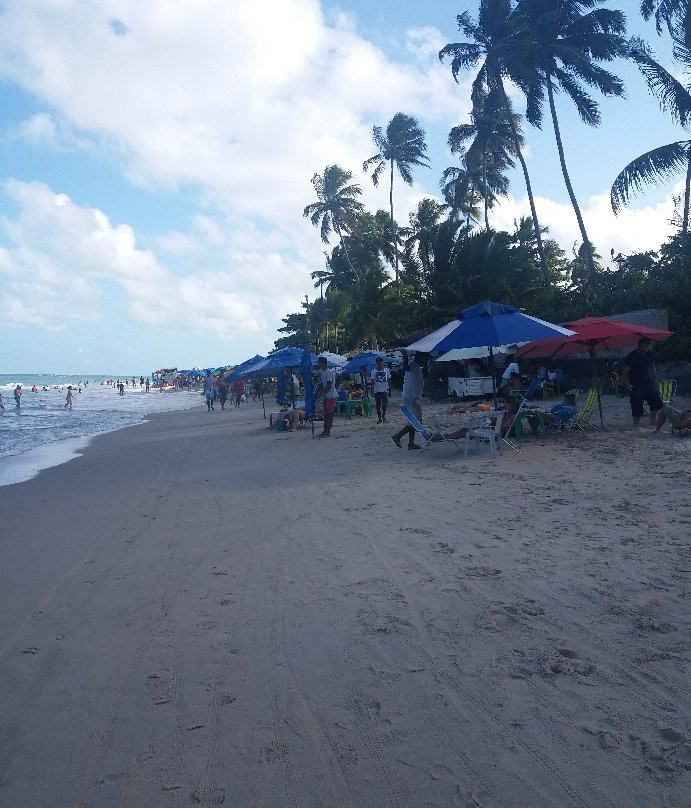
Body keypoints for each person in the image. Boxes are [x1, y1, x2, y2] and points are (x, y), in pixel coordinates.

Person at [621, 337, 664, 428]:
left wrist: (655, 378)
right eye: (642, 347)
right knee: (636, 403)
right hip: (635, 383)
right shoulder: (632, 356)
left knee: (656, 400)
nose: (644, 349)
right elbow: (625, 372)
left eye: (646, 347)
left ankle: (653, 420)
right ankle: (636, 425)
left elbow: (652, 366)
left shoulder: (650, 354)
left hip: (648, 382)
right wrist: (627, 383)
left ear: (648, 347)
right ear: (638, 346)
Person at [391, 352, 424, 450]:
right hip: (410, 395)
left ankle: (411, 443)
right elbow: (405, 368)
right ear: (419, 358)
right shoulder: (412, 364)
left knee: (414, 419)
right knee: (415, 420)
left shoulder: (416, 365)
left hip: (413, 395)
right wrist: (405, 356)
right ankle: (397, 436)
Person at [315, 356, 337, 437]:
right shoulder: (322, 373)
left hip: (331, 396)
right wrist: (316, 392)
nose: (318, 364)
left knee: (329, 414)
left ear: (322, 363)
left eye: (319, 363)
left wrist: (319, 394)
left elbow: (328, 386)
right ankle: (325, 431)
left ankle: (327, 432)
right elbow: (322, 384)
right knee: (326, 414)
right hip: (326, 396)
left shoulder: (329, 372)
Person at [370, 357, 391, 423]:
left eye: (381, 362)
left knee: (385, 403)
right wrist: (372, 391)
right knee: (378, 405)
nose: (379, 363)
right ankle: (379, 418)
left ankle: (383, 416)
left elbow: (389, 380)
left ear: (382, 363)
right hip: (377, 390)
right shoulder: (373, 371)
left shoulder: (386, 370)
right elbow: (372, 382)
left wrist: (390, 390)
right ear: (376, 363)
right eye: (378, 362)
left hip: (384, 389)